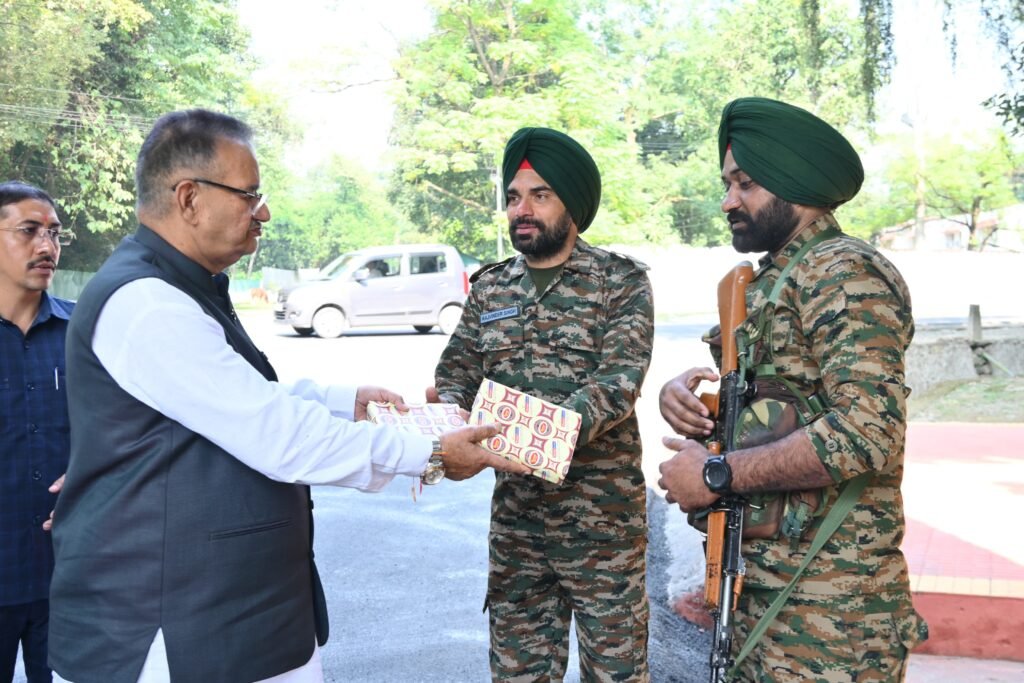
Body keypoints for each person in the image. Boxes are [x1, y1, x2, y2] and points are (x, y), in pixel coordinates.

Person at [47, 109, 525, 683]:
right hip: (171, 624)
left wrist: (342, 397)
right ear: (189, 198)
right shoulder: (148, 303)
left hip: (230, 609)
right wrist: (430, 455)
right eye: (249, 196)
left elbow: (231, 392)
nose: (263, 213)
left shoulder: (178, 287)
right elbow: (276, 433)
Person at [657, 97, 928, 681]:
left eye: (746, 184)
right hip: (768, 599)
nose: (728, 201)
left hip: (830, 615)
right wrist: (686, 399)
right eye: (727, 183)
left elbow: (868, 432)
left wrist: (714, 473)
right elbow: (773, 407)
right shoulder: (773, 281)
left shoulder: (841, 271)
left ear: (793, 184)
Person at [434, 127, 655, 682]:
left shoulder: (620, 283)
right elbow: (456, 372)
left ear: (572, 206)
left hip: (602, 532)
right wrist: (445, 424)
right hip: (517, 532)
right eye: (513, 197)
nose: (521, 210)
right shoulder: (491, 288)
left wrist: (513, 435)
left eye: (539, 195)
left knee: (617, 675)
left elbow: (616, 385)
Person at [0, 182, 72, 683]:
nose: (46, 247)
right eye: (28, 231)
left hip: (69, 580)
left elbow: (131, 430)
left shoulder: (86, 334)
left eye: (53, 233)